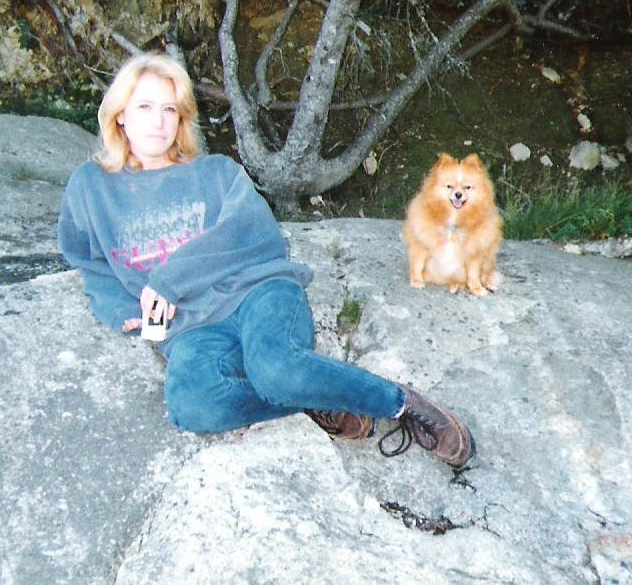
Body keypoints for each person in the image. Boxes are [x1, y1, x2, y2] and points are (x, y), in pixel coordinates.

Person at [57, 52, 475, 468]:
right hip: (189, 327)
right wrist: (119, 308)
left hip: (257, 293)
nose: (158, 121)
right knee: (192, 406)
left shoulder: (215, 173)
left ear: (182, 118)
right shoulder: (91, 186)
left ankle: (398, 402)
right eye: (144, 107)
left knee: (276, 370)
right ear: (120, 115)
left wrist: (169, 280)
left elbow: (251, 231)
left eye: (169, 109)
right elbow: (86, 256)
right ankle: (315, 399)